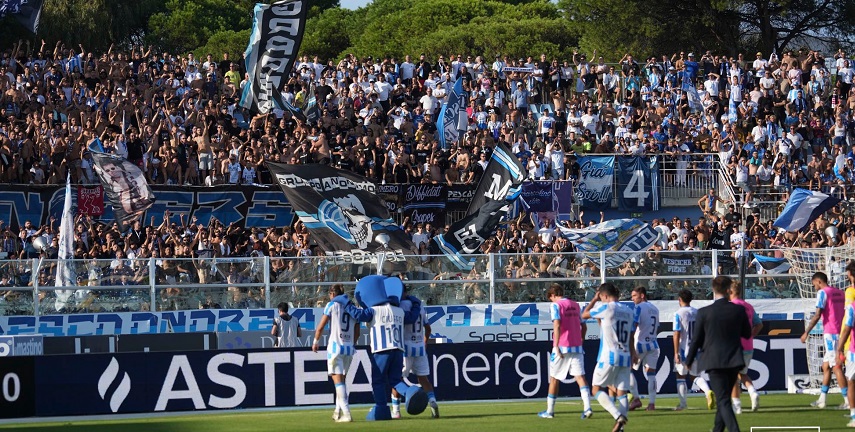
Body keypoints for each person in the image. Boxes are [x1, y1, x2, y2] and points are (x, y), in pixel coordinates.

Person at [685, 276, 751, 432]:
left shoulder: (704, 312)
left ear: (713, 290)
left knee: (723, 400)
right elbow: (747, 334)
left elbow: (696, 340)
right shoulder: (739, 310)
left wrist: (688, 360)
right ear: (729, 289)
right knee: (724, 399)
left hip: (714, 361)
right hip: (734, 360)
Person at [582, 282, 634, 432]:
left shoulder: (605, 307)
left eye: (601, 297)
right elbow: (631, 336)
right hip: (625, 355)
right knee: (622, 392)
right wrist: (633, 353)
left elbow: (584, 315)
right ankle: (621, 428)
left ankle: (618, 415)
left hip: (609, 355)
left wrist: (594, 300)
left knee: (595, 389)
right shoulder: (629, 311)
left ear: (604, 296)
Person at [538, 284, 593, 419]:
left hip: (562, 346)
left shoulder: (556, 306)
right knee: (580, 377)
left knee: (554, 378)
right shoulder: (575, 305)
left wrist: (556, 345)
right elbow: (584, 325)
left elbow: (556, 324)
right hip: (576, 346)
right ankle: (587, 408)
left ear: (552, 295)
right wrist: (581, 339)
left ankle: (550, 411)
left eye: (550, 298)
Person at [312, 284, 359, 422]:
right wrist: (352, 343)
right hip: (349, 348)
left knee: (338, 382)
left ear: (332, 294)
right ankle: (337, 411)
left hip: (335, 348)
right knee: (342, 381)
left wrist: (315, 341)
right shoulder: (352, 307)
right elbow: (357, 332)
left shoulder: (331, 305)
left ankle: (347, 413)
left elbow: (321, 326)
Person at [802, 271, 848, 409]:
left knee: (836, 366)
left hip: (831, 333)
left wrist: (806, 332)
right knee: (826, 366)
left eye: (814, 283)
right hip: (841, 332)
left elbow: (817, 315)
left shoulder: (822, 293)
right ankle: (822, 399)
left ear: (818, 281)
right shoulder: (841, 293)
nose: (813, 286)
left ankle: (848, 401)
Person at [391, 290, 439, 419]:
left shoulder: (399, 306)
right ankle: (433, 403)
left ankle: (396, 411)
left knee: (397, 379)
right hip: (419, 348)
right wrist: (424, 342)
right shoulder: (419, 305)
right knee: (424, 380)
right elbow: (428, 328)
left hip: (405, 348)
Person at [673, 289, 714, 411]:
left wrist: (676, 352)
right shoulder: (697, 312)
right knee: (694, 376)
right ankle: (707, 392)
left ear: (679, 299)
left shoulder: (678, 313)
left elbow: (676, 333)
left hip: (683, 348)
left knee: (680, 376)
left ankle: (683, 404)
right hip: (696, 349)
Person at [728, 282, 763, 414]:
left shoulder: (731, 307)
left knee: (732, 376)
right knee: (742, 374)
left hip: (735, 345)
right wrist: (750, 336)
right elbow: (759, 324)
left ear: (730, 292)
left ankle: (737, 405)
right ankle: (753, 392)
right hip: (748, 346)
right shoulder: (748, 306)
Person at [628, 286, 660, 411]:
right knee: (651, 374)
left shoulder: (639, 307)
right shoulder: (655, 309)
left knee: (626, 369)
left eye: (634, 296)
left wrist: (630, 345)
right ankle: (651, 404)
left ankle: (636, 399)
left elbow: (634, 326)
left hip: (639, 344)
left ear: (642, 295)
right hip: (653, 344)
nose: (632, 299)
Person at [836, 280, 855, 428]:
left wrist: (839, 348)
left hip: (853, 350)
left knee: (851, 382)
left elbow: (847, 328)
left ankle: (854, 416)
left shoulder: (852, 308)